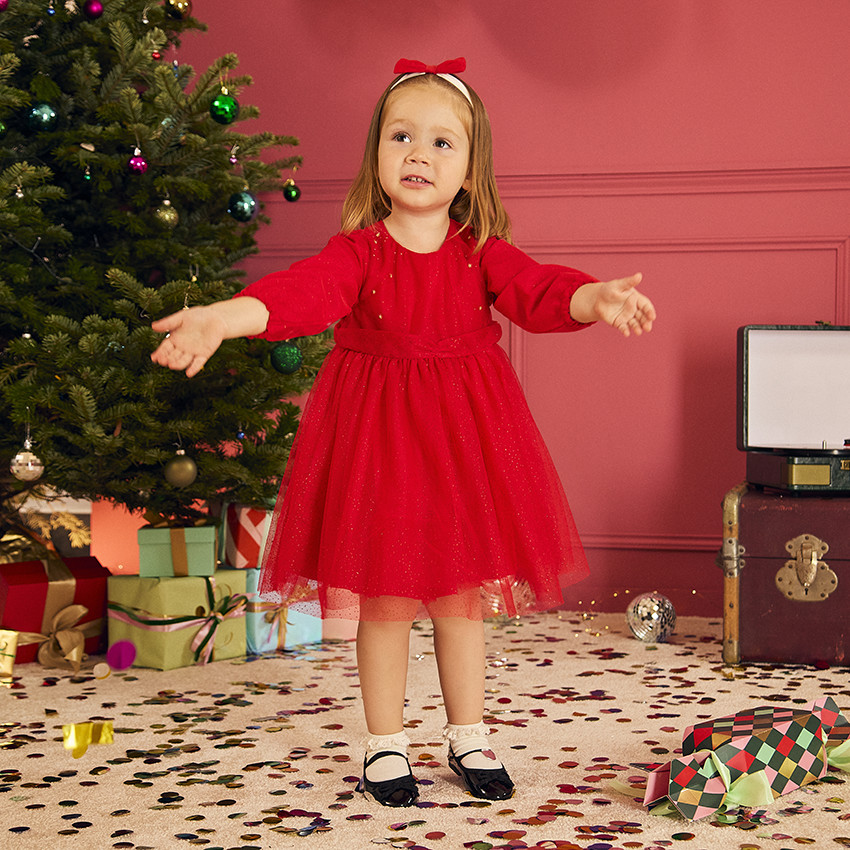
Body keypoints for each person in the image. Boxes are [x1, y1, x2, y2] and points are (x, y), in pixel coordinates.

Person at [150, 57, 656, 808]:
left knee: (458, 597)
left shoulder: (479, 250)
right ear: (376, 154)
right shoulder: (359, 251)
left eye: (442, 143)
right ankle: (384, 743)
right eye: (401, 136)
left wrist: (592, 297)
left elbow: (538, 289)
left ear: (472, 167)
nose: (418, 153)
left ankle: (468, 732)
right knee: (384, 600)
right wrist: (222, 318)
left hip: (465, 442)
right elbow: (299, 296)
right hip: (378, 443)